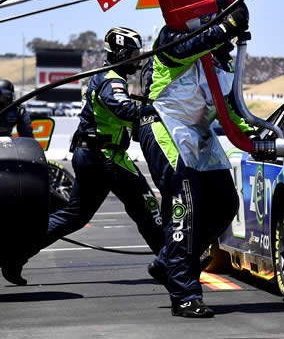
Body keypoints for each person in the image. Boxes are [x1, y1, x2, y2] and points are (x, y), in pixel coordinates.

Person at [1, 27, 164, 286]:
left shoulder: (103, 76)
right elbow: (121, 108)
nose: (138, 59)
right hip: (106, 156)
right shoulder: (112, 80)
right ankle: (171, 265)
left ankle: (15, 255)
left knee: (73, 216)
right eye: (134, 54)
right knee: (147, 206)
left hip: (90, 155)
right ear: (122, 52)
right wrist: (155, 110)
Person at [138, 0, 252, 318]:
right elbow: (189, 45)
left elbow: (230, 111)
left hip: (199, 134)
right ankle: (185, 295)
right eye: (224, 21)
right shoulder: (172, 36)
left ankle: (167, 262)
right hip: (165, 127)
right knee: (184, 209)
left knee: (225, 202)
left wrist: (256, 135)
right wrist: (226, 26)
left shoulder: (221, 62)